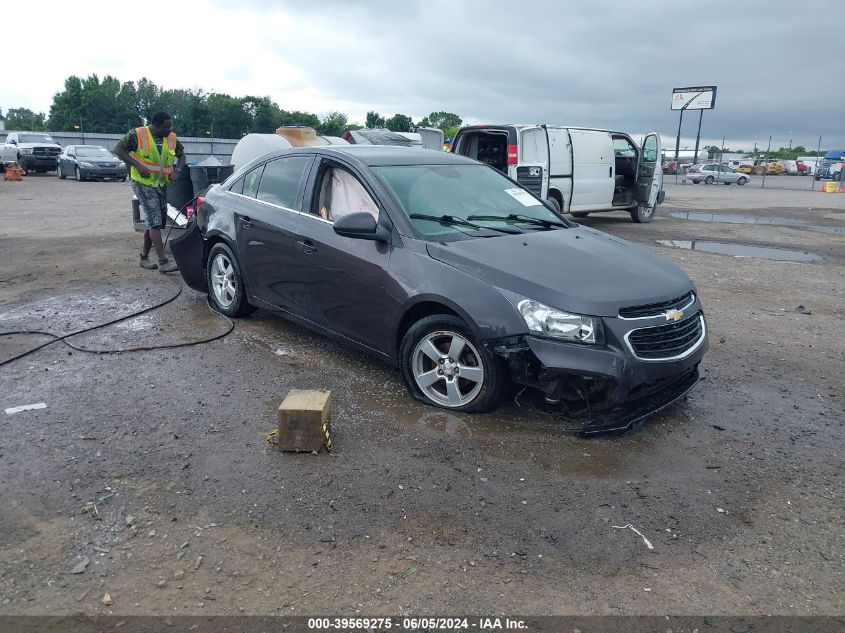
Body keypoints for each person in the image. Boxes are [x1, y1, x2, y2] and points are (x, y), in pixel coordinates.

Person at [115, 112, 186, 272]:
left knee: (156, 221)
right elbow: (118, 149)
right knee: (154, 220)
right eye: (166, 126)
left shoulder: (171, 138)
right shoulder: (137, 135)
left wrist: (178, 170)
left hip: (161, 184)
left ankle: (144, 257)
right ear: (156, 125)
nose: (170, 129)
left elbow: (182, 156)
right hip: (142, 183)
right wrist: (137, 165)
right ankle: (163, 261)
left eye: (170, 126)